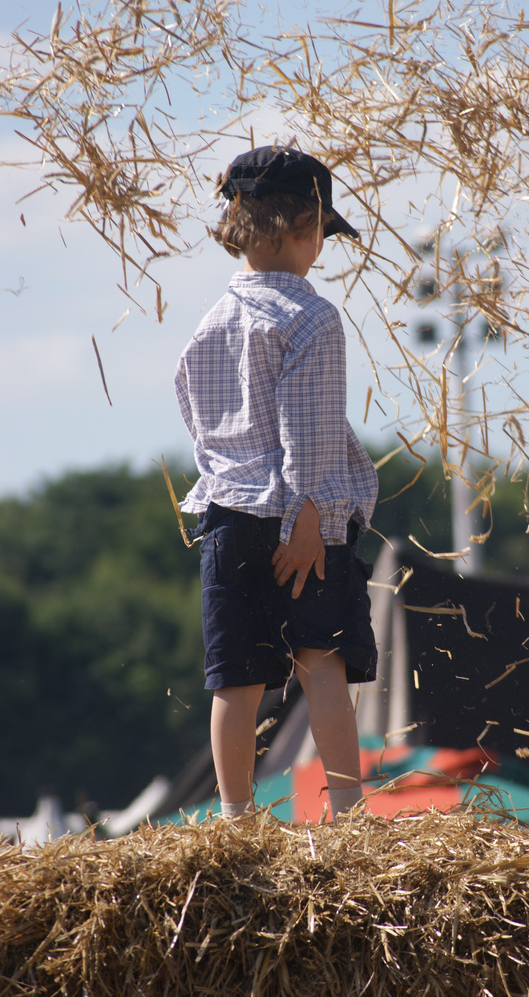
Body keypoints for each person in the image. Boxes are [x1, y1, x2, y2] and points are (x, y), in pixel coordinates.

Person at [174, 144, 379, 822]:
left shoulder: (210, 323)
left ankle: (233, 819)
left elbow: (199, 425)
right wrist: (310, 518)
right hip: (297, 513)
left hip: (226, 518)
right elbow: (311, 431)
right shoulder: (311, 317)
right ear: (307, 231)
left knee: (235, 680)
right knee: (321, 661)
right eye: (323, 232)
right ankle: (347, 814)